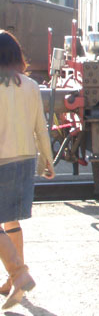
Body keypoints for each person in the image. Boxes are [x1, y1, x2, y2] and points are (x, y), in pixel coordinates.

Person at [0, 30, 55, 310]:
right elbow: (40, 128)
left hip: (1, 158)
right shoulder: (32, 85)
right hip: (24, 159)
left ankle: (19, 274)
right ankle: (12, 281)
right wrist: (48, 160)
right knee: (10, 220)